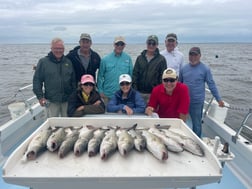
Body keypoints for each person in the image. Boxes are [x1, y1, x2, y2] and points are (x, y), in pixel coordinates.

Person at [179, 47, 225, 137]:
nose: (193, 57)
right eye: (191, 54)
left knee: (197, 124)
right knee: (181, 122)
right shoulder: (184, 68)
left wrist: (219, 99)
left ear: (200, 56)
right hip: (184, 101)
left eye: (195, 55)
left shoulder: (205, 69)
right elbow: (179, 84)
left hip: (197, 102)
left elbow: (211, 85)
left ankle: (197, 142)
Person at [33, 38, 76, 117]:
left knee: (67, 123)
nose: (58, 51)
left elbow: (73, 81)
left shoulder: (68, 62)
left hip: (67, 100)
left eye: (61, 48)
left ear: (64, 49)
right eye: (56, 48)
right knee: (52, 124)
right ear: (51, 48)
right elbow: (37, 81)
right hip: (51, 100)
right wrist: (40, 97)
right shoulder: (43, 62)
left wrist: (73, 96)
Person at [97, 36, 133, 104]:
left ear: (124, 45)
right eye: (117, 44)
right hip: (107, 95)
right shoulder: (105, 59)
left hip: (123, 95)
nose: (119, 46)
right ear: (114, 44)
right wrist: (100, 91)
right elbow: (100, 76)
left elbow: (131, 76)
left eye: (121, 44)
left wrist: (130, 92)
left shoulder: (128, 58)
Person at [132, 35, 167, 103]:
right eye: (149, 43)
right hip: (139, 93)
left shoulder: (161, 59)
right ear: (146, 44)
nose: (151, 45)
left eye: (153, 43)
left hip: (153, 94)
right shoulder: (140, 58)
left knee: (152, 113)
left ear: (157, 45)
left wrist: (158, 93)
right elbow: (135, 75)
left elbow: (162, 79)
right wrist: (135, 91)